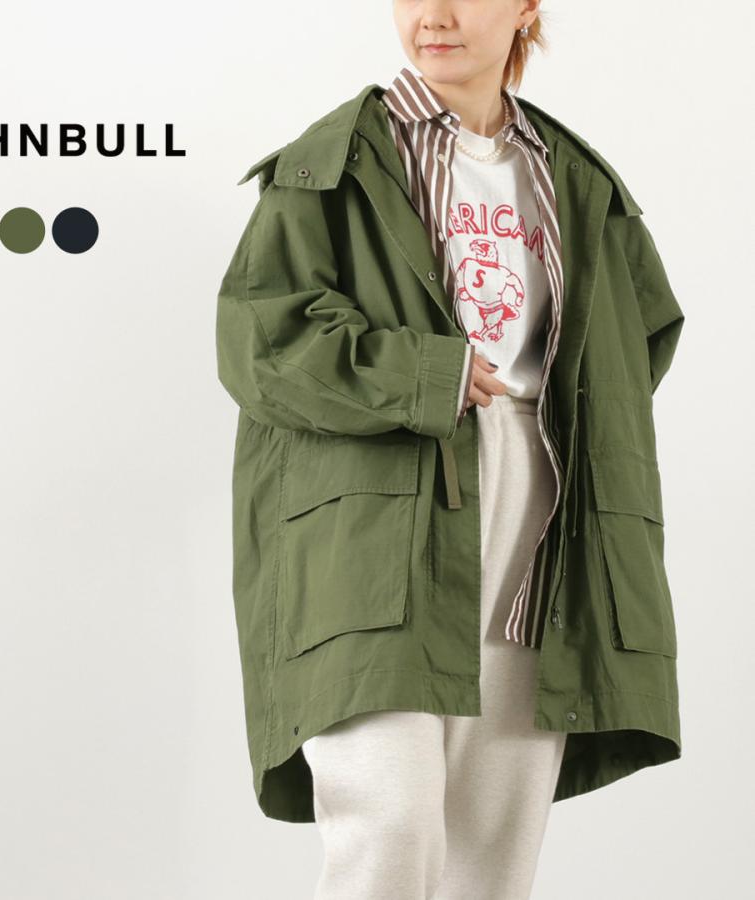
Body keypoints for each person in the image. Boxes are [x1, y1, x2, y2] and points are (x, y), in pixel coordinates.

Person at [216, 1, 684, 898]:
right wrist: (425, 373)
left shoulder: (575, 178)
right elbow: (260, 342)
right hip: (372, 522)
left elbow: (639, 338)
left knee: (491, 847)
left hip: (537, 513)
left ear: (525, 8)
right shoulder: (332, 164)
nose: (432, 15)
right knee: (387, 823)